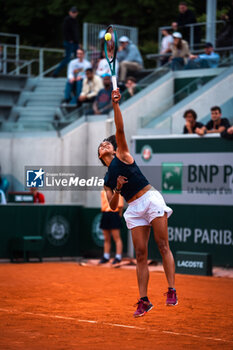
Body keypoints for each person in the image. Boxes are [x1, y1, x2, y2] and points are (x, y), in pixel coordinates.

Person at [98, 89, 177, 318]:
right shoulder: (107, 179)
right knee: (140, 255)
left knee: (163, 246)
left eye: (106, 143)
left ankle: (171, 289)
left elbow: (119, 129)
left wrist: (115, 105)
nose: (104, 144)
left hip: (150, 199)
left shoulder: (122, 154)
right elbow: (114, 205)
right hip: (133, 208)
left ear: (114, 148)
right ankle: (144, 300)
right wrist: (119, 188)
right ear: (99, 155)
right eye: (101, 145)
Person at [99, 187, 124, 265]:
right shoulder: (103, 191)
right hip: (105, 214)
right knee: (106, 238)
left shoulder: (117, 191)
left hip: (114, 214)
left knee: (116, 237)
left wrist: (118, 215)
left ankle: (118, 257)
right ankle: (106, 257)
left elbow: (120, 206)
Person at [52, 6, 79, 77]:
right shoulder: (67, 20)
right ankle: (55, 73)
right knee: (68, 58)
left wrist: (77, 42)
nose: (74, 14)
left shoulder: (75, 21)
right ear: (70, 12)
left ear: (77, 13)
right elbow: (65, 31)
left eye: (75, 12)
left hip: (75, 43)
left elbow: (75, 33)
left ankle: (76, 74)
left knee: (77, 58)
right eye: (72, 12)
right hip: (69, 42)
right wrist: (69, 40)